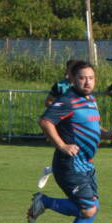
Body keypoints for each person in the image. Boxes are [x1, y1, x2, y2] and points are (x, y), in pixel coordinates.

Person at [26, 61, 112, 223]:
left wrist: (107, 134)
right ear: (73, 79)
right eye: (82, 78)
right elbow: (45, 121)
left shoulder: (91, 100)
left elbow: (91, 127)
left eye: (91, 78)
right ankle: (44, 202)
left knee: (92, 208)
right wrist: (62, 145)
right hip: (69, 165)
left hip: (86, 164)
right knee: (88, 209)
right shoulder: (67, 100)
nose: (87, 82)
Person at [39, 59, 83, 188]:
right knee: (68, 150)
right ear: (68, 70)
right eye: (72, 68)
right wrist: (60, 110)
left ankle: (51, 170)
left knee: (77, 151)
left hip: (78, 123)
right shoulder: (60, 86)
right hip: (63, 124)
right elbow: (48, 102)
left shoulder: (81, 86)